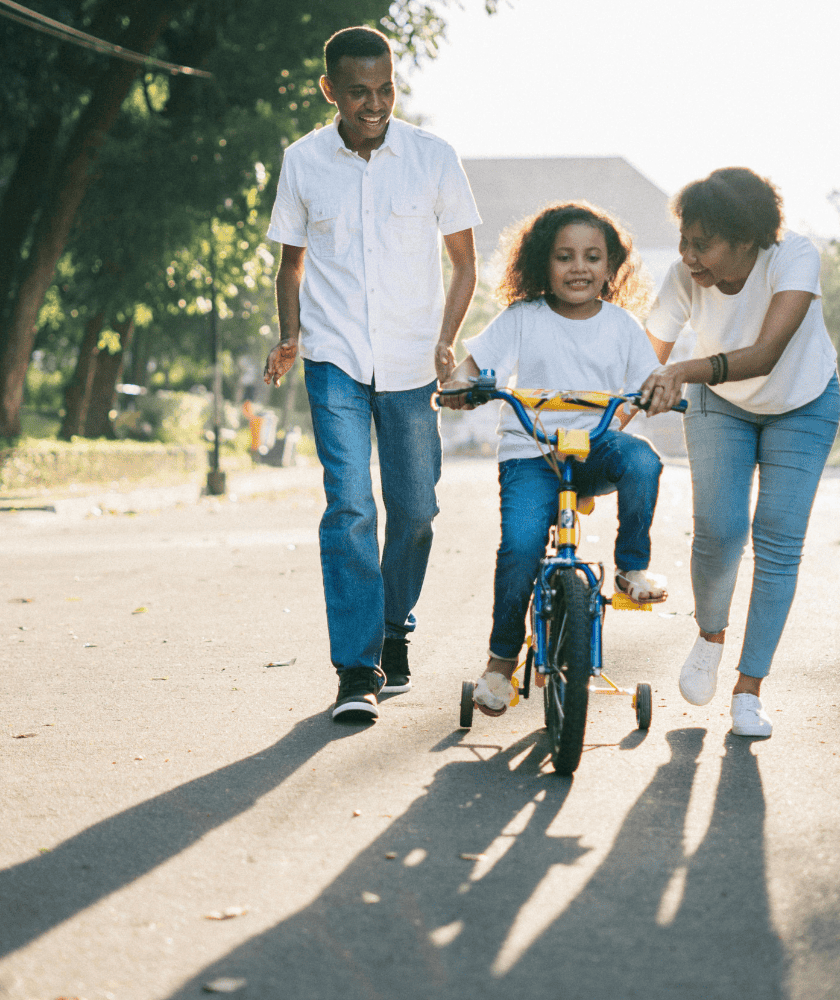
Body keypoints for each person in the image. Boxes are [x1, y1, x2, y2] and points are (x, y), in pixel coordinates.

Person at [262, 25, 480, 722]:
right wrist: (292, 335)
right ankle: (357, 669)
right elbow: (291, 262)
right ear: (330, 90)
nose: (375, 103)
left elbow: (465, 262)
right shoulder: (302, 161)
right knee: (351, 506)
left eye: (385, 89)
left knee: (415, 510)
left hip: (414, 360)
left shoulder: (433, 157)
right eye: (359, 92)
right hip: (334, 359)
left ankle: (394, 629)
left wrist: (447, 341)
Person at [637, 167, 840, 738]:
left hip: (802, 401)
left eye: (702, 243)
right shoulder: (684, 278)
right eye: (684, 240)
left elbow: (768, 353)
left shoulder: (793, 258)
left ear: (747, 240)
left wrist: (680, 370)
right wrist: (609, 417)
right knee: (720, 529)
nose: (688, 255)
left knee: (778, 537)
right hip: (720, 405)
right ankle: (709, 635)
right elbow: (642, 360)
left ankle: (749, 689)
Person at [440, 202, 666, 716]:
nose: (579, 268)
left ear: (611, 268)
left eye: (592, 257)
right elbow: (474, 365)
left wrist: (659, 392)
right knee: (520, 546)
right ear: (544, 263)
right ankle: (500, 664)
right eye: (564, 257)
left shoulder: (624, 326)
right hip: (531, 453)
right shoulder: (523, 318)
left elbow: (649, 380)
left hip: (594, 447)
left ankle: (632, 568)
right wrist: (460, 384)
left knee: (644, 462)